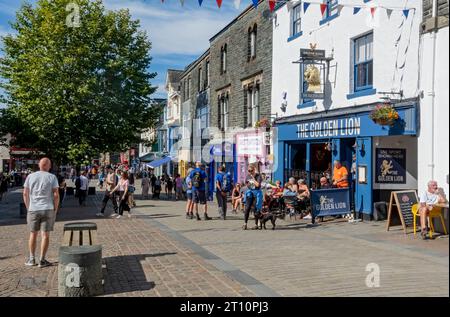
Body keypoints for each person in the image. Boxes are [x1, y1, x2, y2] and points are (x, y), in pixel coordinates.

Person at [23, 158, 59, 268]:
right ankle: (42, 260)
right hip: (47, 208)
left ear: (39, 165)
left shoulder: (30, 176)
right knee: (45, 235)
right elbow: (56, 195)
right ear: (49, 166)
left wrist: (28, 207)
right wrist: (55, 209)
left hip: (33, 209)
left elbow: (25, 193)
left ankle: (32, 259)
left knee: (33, 234)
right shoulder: (52, 177)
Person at [242, 164, 263, 230]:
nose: (250, 172)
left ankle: (256, 224)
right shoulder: (248, 176)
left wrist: (253, 179)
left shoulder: (258, 176)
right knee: (247, 208)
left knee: (256, 209)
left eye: (251, 170)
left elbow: (258, 185)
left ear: (254, 170)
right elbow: (246, 184)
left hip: (256, 194)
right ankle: (245, 224)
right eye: (249, 171)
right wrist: (248, 184)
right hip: (250, 193)